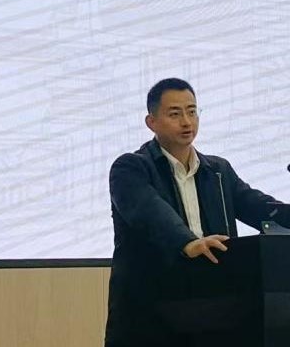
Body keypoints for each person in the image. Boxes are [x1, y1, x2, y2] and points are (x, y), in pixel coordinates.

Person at [103, 78, 279, 347]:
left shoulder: (217, 171)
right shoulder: (131, 168)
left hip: (213, 312)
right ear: (151, 122)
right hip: (149, 315)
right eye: (175, 114)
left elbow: (259, 207)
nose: (187, 122)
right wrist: (187, 242)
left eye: (192, 111)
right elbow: (149, 211)